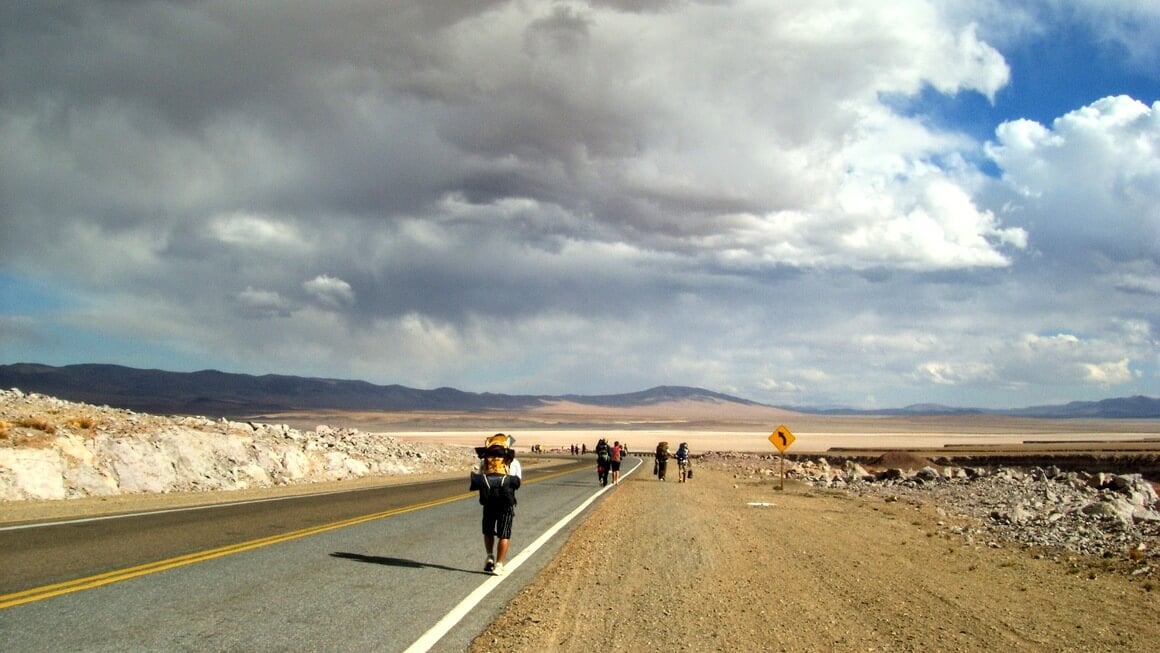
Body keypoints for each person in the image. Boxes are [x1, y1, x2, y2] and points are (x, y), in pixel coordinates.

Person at [475, 433, 522, 576]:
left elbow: (481, 478)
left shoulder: (486, 461)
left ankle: (490, 556)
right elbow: (517, 482)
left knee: (488, 530)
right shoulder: (513, 462)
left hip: (489, 500)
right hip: (506, 501)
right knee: (504, 534)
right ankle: (499, 565)